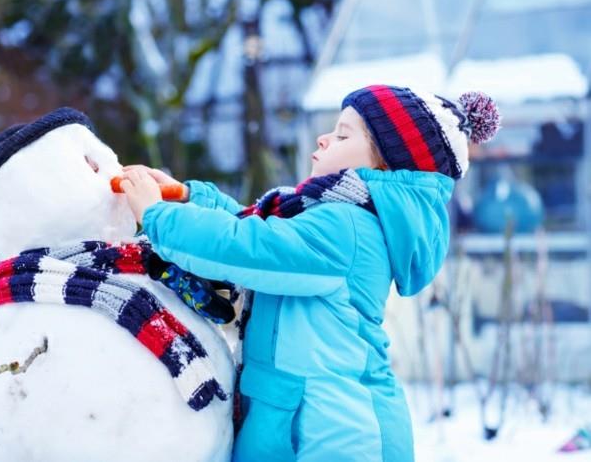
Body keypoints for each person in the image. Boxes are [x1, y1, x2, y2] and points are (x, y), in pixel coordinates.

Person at [120, 85, 500, 462]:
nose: (323, 138)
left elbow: (249, 248)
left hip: (342, 433)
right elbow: (257, 230)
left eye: (342, 134)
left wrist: (159, 217)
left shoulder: (348, 228)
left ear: (382, 165)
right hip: (289, 418)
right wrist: (189, 199)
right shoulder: (320, 214)